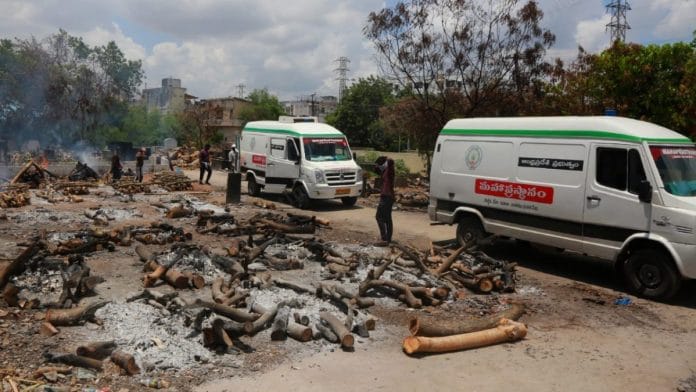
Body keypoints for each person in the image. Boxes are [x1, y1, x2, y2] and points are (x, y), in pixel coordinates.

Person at [374, 155, 395, 246]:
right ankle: (388, 239)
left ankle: (384, 238)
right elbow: (377, 170)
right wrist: (376, 166)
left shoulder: (390, 170)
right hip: (388, 196)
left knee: (379, 216)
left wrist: (386, 158)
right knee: (387, 218)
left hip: (387, 196)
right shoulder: (385, 171)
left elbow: (391, 161)